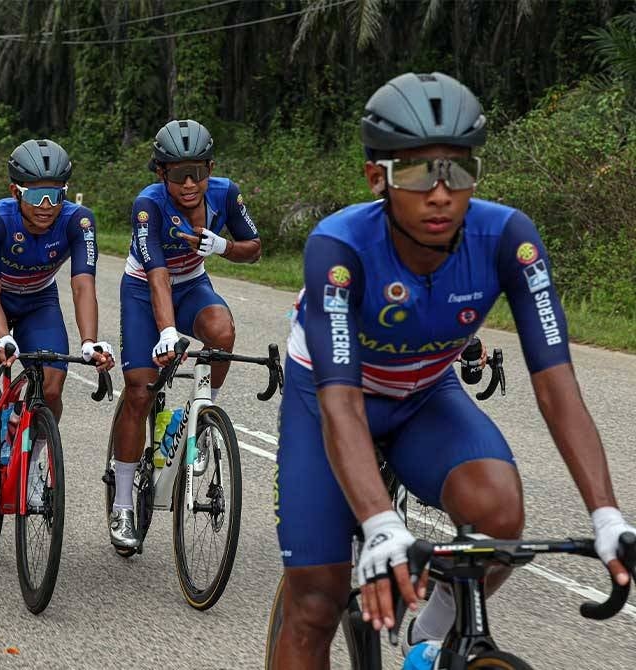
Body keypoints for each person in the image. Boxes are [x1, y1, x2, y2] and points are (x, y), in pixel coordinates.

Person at [270, 72, 636, 670]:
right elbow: (340, 402)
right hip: (329, 399)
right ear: (377, 178)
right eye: (418, 172)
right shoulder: (338, 247)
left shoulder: (508, 238)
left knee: (499, 519)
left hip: (423, 395)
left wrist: (606, 514)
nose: (440, 193)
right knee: (314, 601)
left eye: (458, 171)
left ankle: (431, 639)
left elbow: (557, 386)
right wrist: (381, 524)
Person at [108, 119, 261, 549]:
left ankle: (200, 414)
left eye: (197, 171)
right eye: (178, 174)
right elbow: (156, 275)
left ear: (210, 168)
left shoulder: (226, 194)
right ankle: (122, 504)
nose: (190, 183)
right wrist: (168, 332)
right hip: (144, 288)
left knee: (222, 332)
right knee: (139, 390)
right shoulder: (149, 205)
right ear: (161, 173)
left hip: (193, 283)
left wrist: (223, 247)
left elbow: (255, 249)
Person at [0, 139, 113, 511]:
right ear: (15, 192)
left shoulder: (79, 221)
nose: (47, 205)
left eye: (55, 195)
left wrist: (89, 341)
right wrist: (2, 338)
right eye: (36, 195)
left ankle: (29, 464)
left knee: (53, 384)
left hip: (38, 300)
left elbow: (83, 285)